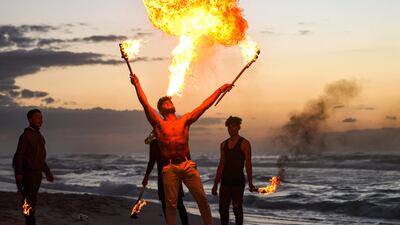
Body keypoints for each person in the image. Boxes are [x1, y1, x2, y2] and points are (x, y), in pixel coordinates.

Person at [129, 73, 232, 225]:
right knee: (171, 205)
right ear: (161, 110)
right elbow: (144, 104)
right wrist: (137, 85)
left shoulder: (185, 120)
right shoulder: (158, 124)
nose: (168, 102)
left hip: (187, 165)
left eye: (169, 101)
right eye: (164, 103)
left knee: (202, 199)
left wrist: (220, 90)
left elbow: (204, 105)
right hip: (169, 168)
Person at [12, 109, 54, 225]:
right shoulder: (25, 136)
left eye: (41, 117)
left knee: (32, 200)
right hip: (28, 174)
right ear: (30, 120)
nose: (40, 120)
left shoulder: (39, 136)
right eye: (37, 117)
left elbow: (40, 158)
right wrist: (19, 173)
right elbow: (19, 154)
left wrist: (47, 171)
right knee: (27, 200)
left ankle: (29, 220)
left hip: (37, 175)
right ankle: (29, 221)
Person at [212, 116, 256, 225]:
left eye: (233, 126)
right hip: (225, 181)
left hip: (238, 181)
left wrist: (250, 183)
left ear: (238, 127)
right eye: (229, 127)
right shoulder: (223, 145)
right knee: (223, 210)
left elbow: (248, 165)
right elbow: (221, 165)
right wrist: (215, 184)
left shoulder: (245, 143)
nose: (230, 129)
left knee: (237, 209)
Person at [142, 131, 189, 225]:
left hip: (173, 175)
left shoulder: (170, 141)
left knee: (178, 203)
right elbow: (151, 161)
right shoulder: (154, 143)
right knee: (166, 203)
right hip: (164, 176)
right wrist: (146, 177)